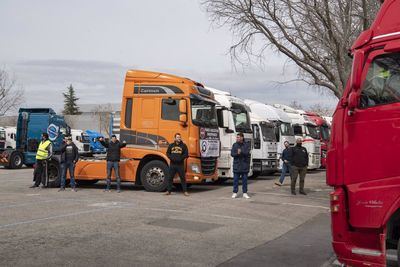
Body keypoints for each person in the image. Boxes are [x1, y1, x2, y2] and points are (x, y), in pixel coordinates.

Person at [231, 132, 251, 199]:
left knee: (244, 181)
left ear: (242, 138)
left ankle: (245, 193)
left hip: (244, 165)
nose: (237, 138)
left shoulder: (246, 145)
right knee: (235, 180)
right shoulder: (234, 145)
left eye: (238, 137)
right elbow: (232, 154)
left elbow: (247, 153)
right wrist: (237, 153)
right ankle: (235, 192)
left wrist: (241, 152)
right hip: (237, 166)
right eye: (237, 137)